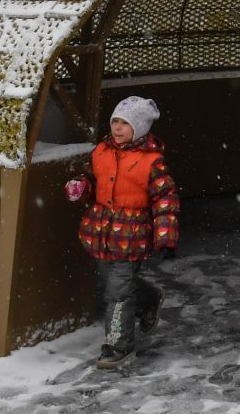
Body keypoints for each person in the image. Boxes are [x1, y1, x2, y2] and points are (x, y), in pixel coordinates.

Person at [66, 97, 180, 372]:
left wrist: (165, 237)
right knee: (111, 283)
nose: (117, 128)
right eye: (115, 121)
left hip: (132, 237)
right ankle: (150, 298)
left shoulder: (152, 162)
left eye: (125, 124)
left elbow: (166, 200)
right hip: (102, 232)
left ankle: (120, 347)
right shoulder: (101, 152)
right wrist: (81, 187)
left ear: (139, 128)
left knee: (117, 293)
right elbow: (92, 180)